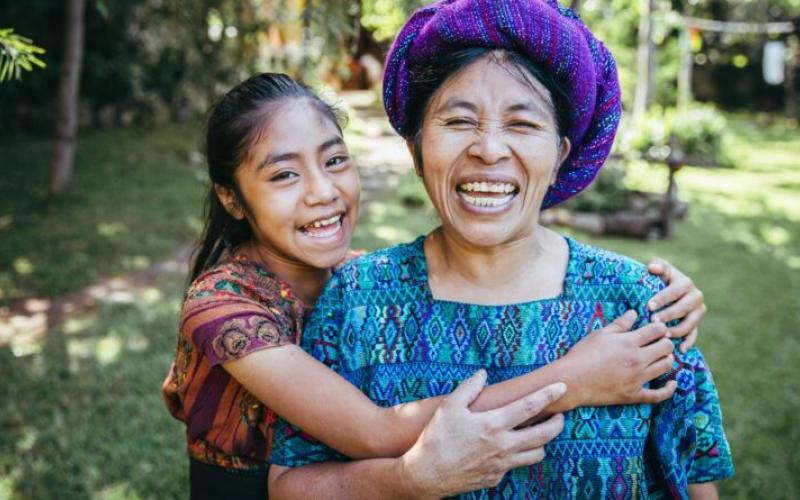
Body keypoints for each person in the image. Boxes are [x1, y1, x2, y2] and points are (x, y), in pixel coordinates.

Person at [267, 1, 734, 498]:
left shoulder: (641, 306)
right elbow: (290, 485)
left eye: (522, 124)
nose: (488, 149)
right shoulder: (355, 301)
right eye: (459, 121)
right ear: (416, 150)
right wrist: (408, 479)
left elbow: (693, 484)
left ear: (559, 155)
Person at [163, 72, 707, 498]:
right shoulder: (222, 308)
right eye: (284, 174)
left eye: (334, 160)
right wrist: (574, 380)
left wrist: (666, 292)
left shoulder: (358, 280)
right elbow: (374, 433)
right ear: (231, 198)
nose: (321, 192)